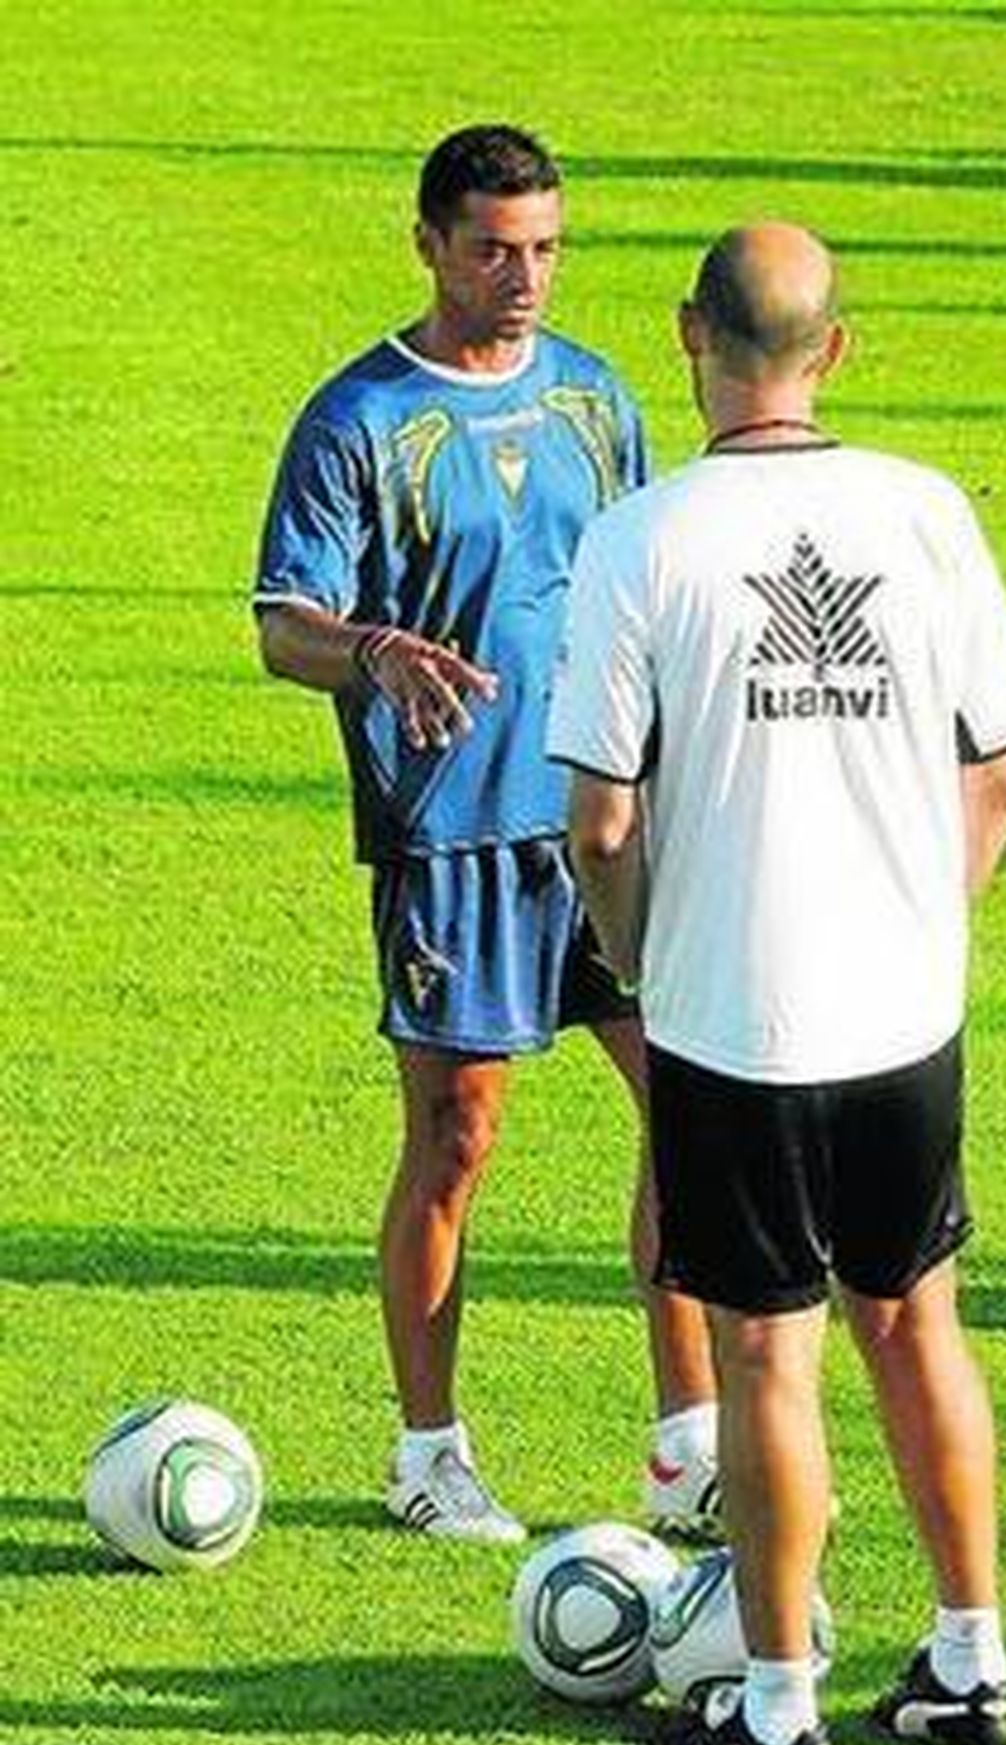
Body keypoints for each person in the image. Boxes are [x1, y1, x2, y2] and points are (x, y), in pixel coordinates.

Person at [547, 222, 1006, 1745]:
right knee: (917, 1321)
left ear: (689, 335)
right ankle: (971, 1657)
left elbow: (602, 822)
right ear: (837, 348)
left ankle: (773, 1702)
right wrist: (920, 921)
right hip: (907, 1015)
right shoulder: (927, 512)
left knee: (768, 1358)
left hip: (733, 1018)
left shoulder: (643, 539)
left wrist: (637, 954)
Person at [251, 124, 717, 1545]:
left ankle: (689, 1443)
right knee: (456, 1140)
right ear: (429, 244)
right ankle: (428, 1450)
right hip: (451, 835)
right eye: (495, 250)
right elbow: (284, 627)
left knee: (694, 1116)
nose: (525, 278)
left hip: (607, 818)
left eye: (547, 249)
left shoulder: (595, 398)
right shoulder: (358, 420)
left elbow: (648, 582)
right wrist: (375, 647)